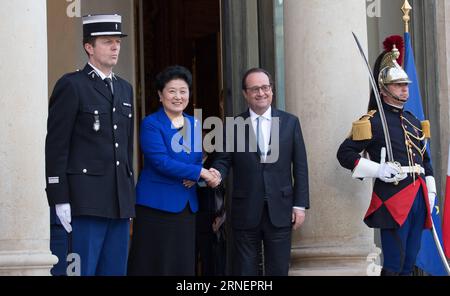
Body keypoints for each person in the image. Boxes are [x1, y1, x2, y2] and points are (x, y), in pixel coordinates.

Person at [336, 35, 435, 276]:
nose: (405, 88)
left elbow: (426, 162)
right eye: (399, 84)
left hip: (418, 197)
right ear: (383, 89)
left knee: (410, 261)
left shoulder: (414, 121)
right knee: (394, 263)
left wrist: (430, 192)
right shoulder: (372, 121)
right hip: (393, 199)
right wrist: (377, 170)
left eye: (406, 84)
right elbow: (345, 154)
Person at [45, 14, 135, 276]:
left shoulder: (124, 88)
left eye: (117, 41)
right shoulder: (72, 85)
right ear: (89, 47)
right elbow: (56, 146)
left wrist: (127, 197)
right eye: (107, 42)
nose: (115, 47)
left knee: (114, 271)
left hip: (118, 201)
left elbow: (125, 149)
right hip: (83, 200)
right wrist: (58, 197)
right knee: (79, 271)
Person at [212, 68, 309, 276]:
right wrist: (215, 174)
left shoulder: (290, 123)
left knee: (278, 269)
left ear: (272, 90)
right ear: (245, 93)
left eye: (265, 87)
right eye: (254, 89)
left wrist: (300, 205)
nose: (261, 93)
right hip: (245, 209)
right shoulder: (232, 126)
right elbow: (223, 160)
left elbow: (300, 166)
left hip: (281, 209)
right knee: (245, 271)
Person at [127, 65, 220, 276]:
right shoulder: (151, 124)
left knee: (181, 264)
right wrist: (199, 173)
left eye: (183, 91)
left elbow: (197, 160)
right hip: (155, 206)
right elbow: (161, 161)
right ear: (160, 95)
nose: (178, 96)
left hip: (186, 206)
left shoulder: (193, 123)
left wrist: (197, 172)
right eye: (172, 91)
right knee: (153, 264)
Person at [195, 150, 227, 276]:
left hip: (211, 215)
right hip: (193, 214)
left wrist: (221, 215)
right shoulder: (189, 159)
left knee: (211, 259)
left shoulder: (216, 160)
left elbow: (218, 185)